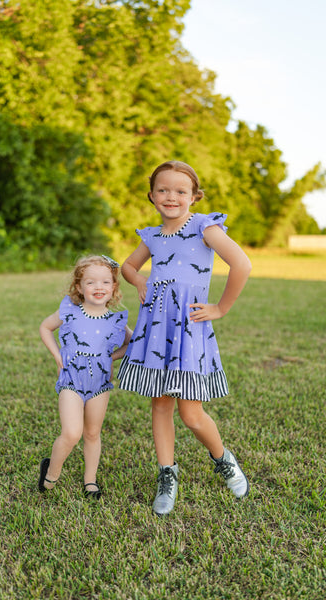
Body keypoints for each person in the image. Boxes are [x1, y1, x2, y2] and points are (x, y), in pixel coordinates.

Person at [118, 160, 252, 516]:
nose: (171, 197)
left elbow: (242, 264)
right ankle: (167, 474)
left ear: (194, 196)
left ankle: (223, 459)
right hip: (156, 329)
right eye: (163, 190)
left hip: (188, 330)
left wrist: (221, 308)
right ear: (152, 195)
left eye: (180, 191)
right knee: (160, 403)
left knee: (191, 414)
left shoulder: (203, 227)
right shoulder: (152, 236)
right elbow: (127, 266)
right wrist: (139, 281)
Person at [38, 255, 132, 499]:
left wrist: (111, 357)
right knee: (72, 432)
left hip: (100, 384)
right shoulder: (70, 311)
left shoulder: (115, 321)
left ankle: (90, 481)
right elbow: (45, 327)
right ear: (79, 287)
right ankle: (52, 471)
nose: (98, 287)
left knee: (92, 433)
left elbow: (133, 343)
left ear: (113, 287)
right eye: (91, 282)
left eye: (105, 282)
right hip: (71, 381)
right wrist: (57, 356)